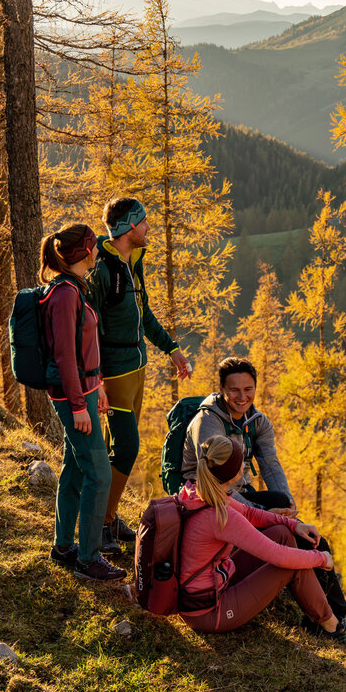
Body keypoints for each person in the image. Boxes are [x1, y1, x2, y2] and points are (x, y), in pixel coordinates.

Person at [181, 356, 346, 623]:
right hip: (210, 498)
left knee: (295, 521)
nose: (242, 397)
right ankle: (335, 619)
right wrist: (264, 513)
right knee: (295, 539)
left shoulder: (257, 422)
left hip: (238, 494)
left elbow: (271, 465)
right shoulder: (208, 423)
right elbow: (219, 488)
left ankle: (337, 617)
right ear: (222, 389)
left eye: (248, 389)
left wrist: (290, 511)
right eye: (234, 390)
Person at [177, 435, 346, 649]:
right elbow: (277, 555)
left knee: (282, 533)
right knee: (290, 565)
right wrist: (321, 558)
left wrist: (293, 525)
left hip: (210, 587)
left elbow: (249, 513)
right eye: (240, 460)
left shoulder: (199, 491)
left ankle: (319, 613)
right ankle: (332, 627)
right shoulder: (221, 515)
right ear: (232, 472)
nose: (244, 463)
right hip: (209, 612)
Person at [87, 196, 191, 556]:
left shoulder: (133, 261)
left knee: (117, 447)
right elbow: (87, 330)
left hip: (137, 369)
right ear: (130, 226)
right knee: (126, 447)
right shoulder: (101, 271)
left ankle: (109, 515)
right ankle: (100, 524)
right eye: (143, 221)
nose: (148, 227)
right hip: (114, 375)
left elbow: (143, 314)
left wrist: (171, 348)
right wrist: (96, 379)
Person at [39, 224, 126, 583]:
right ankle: (88, 559)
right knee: (98, 473)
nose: (98, 251)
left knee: (75, 469)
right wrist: (78, 405)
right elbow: (63, 355)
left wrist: (97, 385)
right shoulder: (63, 294)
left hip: (85, 390)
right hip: (72, 396)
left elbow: (84, 347)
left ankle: (63, 547)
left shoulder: (76, 288)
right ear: (86, 251)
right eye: (94, 245)